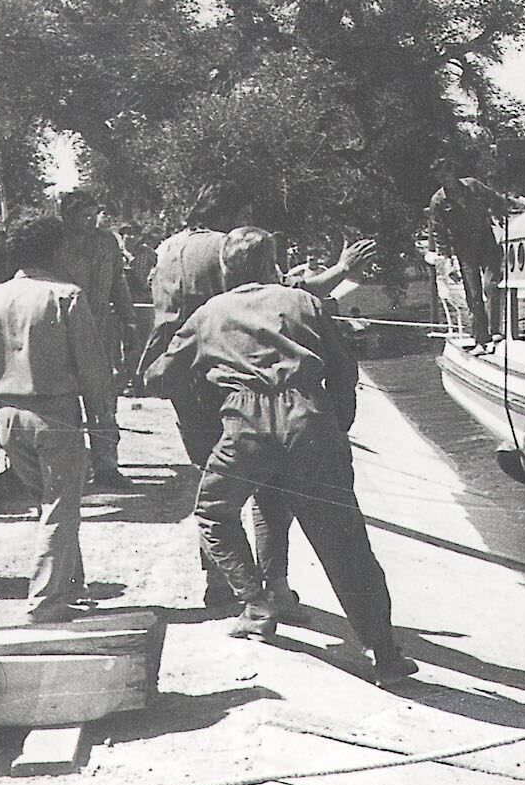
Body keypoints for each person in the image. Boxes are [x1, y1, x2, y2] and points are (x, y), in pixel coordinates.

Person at [146, 227, 416, 683]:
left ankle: (256, 602)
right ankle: (384, 653)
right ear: (273, 265)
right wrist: (337, 425)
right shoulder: (303, 303)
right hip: (310, 422)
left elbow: (157, 378)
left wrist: (212, 385)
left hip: (244, 428)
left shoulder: (209, 314)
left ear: (226, 270)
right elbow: (344, 370)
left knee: (214, 513)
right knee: (345, 541)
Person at [138, 183, 376, 612]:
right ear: (236, 212)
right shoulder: (227, 247)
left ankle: (224, 586)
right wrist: (342, 269)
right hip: (242, 385)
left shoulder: (169, 248)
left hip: (190, 379)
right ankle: (274, 587)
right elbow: (285, 297)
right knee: (271, 493)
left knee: (215, 492)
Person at [0, 213, 116, 623]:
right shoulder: (66, 296)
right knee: (60, 506)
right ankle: (46, 600)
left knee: (48, 504)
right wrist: (103, 422)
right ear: (57, 249)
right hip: (55, 416)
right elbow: (92, 370)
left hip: (7, 416)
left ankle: (71, 586)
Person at [56, 190, 137, 487]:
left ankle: (106, 466)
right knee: (63, 399)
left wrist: (129, 319)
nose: (91, 222)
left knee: (103, 400)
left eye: (94, 215)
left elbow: (118, 281)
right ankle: (70, 467)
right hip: (62, 330)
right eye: (84, 216)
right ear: (68, 217)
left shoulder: (107, 242)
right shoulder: (56, 243)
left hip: (101, 328)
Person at [427, 158, 520, 350]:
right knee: (473, 295)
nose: (443, 179)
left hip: (487, 243)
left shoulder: (473, 186)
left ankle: (495, 332)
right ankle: (481, 339)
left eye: (445, 174)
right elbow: (439, 232)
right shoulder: (438, 201)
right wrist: (447, 260)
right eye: (439, 177)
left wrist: (501, 217)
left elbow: (496, 201)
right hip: (465, 249)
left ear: (452, 171)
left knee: (491, 286)